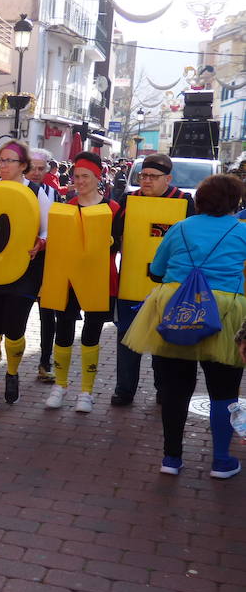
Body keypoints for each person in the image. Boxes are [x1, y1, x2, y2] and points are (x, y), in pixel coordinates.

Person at [125, 175, 246, 479]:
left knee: (174, 389)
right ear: (235, 201)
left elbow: (157, 270)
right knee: (224, 391)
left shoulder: (180, 228)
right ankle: (221, 461)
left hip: (176, 307)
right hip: (227, 311)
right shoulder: (242, 231)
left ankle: (171, 458)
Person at [110, 153, 195, 407]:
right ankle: (124, 390)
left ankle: (162, 388)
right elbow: (113, 235)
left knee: (163, 338)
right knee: (127, 336)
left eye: (152, 177)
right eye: (143, 175)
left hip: (167, 283)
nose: (146, 181)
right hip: (132, 280)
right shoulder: (130, 199)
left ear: (168, 178)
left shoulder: (183, 201)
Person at [0, 140, 50, 410]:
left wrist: (41, 242)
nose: (3, 166)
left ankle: (12, 374)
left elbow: (48, 229)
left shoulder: (36, 192)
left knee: (15, 329)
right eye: (0, 160)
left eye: (9, 161)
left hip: (24, 271)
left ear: (23, 165)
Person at [44, 152, 120, 413]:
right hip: (68, 280)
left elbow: (119, 244)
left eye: (85, 176)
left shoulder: (113, 208)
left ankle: (86, 391)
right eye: (76, 176)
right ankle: (60, 385)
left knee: (91, 334)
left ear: (98, 178)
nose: (80, 181)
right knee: (63, 330)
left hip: (100, 279)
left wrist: (106, 242)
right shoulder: (66, 206)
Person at [27, 148, 60, 383]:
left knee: (47, 315)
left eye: (41, 169)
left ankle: (45, 361)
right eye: (32, 168)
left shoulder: (53, 194)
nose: (36, 173)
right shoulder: (13, 190)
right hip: (17, 261)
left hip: (45, 262)